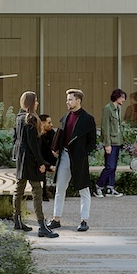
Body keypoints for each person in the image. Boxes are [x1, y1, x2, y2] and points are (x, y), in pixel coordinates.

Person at [51, 88, 98, 233]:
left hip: (79, 159)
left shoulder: (88, 119)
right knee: (60, 189)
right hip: (64, 156)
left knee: (84, 189)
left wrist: (83, 153)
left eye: (70, 99)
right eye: (67, 99)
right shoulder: (66, 117)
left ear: (78, 100)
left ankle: (84, 220)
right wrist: (57, 148)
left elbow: (92, 142)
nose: (67, 101)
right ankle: (56, 219)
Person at [12, 92, 56, 237]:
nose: (37, 103)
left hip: (21, 157)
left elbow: (15, 139)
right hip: (30, 159)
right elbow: (33, 144)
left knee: (19, 189)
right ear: (31, 103)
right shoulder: (31, 118)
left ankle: (17, 220)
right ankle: (42, 226)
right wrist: (41, 162)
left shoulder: (18, 117)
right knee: (37, 191)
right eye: (36, 101)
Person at [97, 88, 127, 197]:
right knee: (109, 166)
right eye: (122, 97)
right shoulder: (108, 109)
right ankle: (98, 186)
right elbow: (105, 127)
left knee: (113, 166)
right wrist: (107, 144)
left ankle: (110, 187)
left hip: (117, 141)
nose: (124, 100)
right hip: (111, 142)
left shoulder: (117, 109)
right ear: (117, 97)